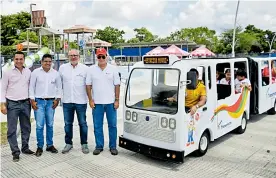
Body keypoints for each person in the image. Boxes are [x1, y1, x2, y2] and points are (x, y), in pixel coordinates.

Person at [1, 51, 34, 162]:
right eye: (17, 59)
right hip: (13, 103)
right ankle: (15, 152)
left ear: (24, 60)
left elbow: (31, 88)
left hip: (25, 103)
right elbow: (2, 89)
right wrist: (2, 104)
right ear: (13, 60)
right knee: (12, 129)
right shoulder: (7, 72)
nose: (19, 61)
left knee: (26, 127)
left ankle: (25, 148)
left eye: (21, 59)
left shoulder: (28, 72)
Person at [86, 48, 121, 156]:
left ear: (107, 57)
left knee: (113, 125)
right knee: (97, 126)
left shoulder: (113, 69)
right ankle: (99, 146)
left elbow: (117, 85)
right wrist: (90, 100)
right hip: (97, 104)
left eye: (103, 56)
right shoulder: (91, 69)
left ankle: (113, 146)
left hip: (110, 103)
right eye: (99, 57)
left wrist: (117, 100)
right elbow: (88, 85)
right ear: (96, 57)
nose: (101, 58)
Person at [29, 54, 62, 157]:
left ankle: (50, 145)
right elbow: (31, 87)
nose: (48, 63)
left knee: (50, 124)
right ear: (41, 62)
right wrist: (32, 100)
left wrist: (57, 99)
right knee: (39, 125)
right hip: (39, 102)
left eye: (49, 61)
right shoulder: (35, 73)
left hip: (51, 103)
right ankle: (40, 146)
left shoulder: (56, 74)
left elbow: (59, 88)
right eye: (45, 61)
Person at [59, 49, 90, 154]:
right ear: (68, 57)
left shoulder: (85, 69)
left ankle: (84, 144)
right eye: (71, 55)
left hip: (81, 101)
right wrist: (59, 98)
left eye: (75, 55)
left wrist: (90, 99)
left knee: (83, 123)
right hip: (67, 101)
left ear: (79, 56)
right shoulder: (62, 68)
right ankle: (68, 143)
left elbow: (89, 85)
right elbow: (59, 85)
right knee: (67, 123)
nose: (73, 57)